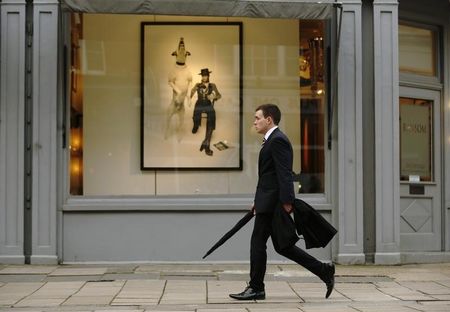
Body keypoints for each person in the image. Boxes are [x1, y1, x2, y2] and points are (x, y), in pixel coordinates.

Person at [229, 104, 335, 301]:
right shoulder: (271, 141)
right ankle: (324, 270)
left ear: (269, 120)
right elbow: (268, 177)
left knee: (257, 242)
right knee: (283, 246)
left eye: (257, 118)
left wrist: (287, 202)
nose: (254, 121)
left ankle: (256, 287)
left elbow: (284, 173)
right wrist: (257, 201)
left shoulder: (278, 140)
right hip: (267, 202)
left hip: (274, 205)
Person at [165, 37, 192, 140]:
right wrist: (178, 90)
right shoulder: (173, 70)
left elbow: (189, 82)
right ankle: (166, 132)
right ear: (175, 54)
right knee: (168, 118)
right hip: (174, 102)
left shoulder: (187, 71)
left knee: (181, 121)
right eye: (179, 52)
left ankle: (179, 136)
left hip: (182, 104)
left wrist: (189, 96)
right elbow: (170, 82)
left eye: (184, 53)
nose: (182, 52)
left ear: (186, 55)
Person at [190, 68, 221, 156]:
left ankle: (206, 143)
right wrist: (190, 96)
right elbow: (192, 91)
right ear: (201, 76)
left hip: (207, 104)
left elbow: (219, 95)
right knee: (196, 113)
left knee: (212, 116)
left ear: (208, 76)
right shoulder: (197, 85)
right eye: (203, 76)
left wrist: (213, 97)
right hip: (199, 103)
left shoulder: (212, 85)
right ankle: (196, 125)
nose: (204, 78)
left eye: (206, 76)